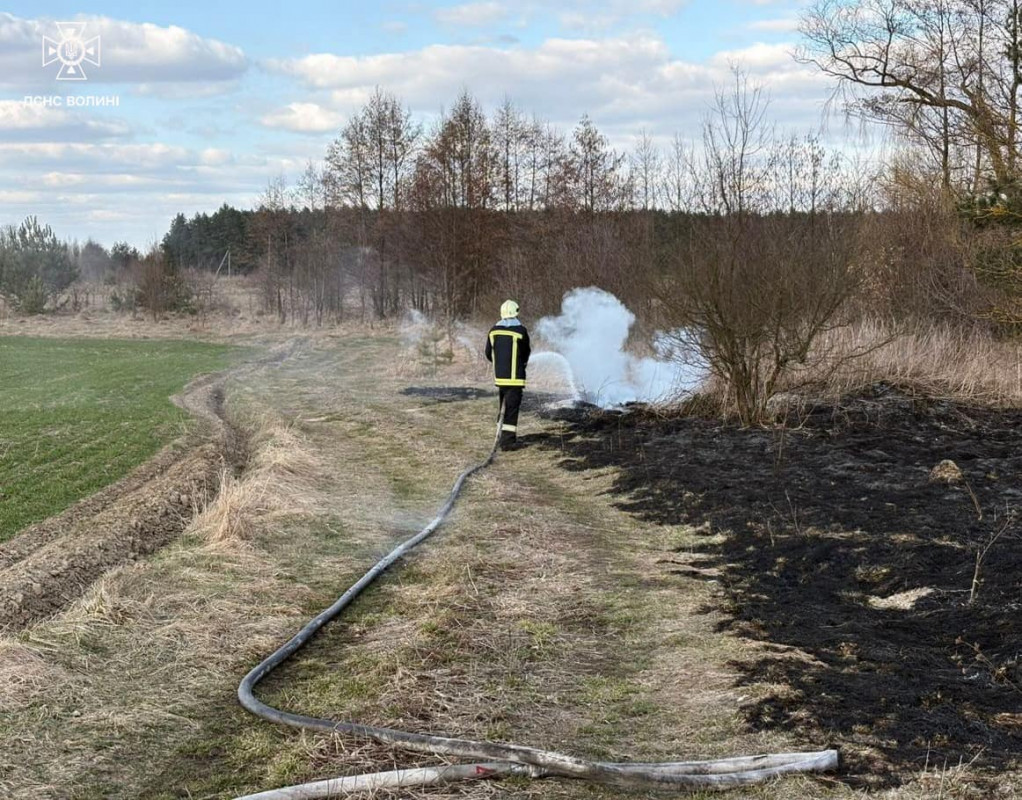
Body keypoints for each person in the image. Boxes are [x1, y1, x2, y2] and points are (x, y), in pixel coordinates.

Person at [484, 299, 531, 451]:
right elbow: (526, 353)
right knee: (511, 408)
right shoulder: (521, 331)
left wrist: (499, 364)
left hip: (500, 377)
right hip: (515, 378)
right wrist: (521, 364)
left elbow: (488, 353)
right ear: (516, 312)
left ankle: (499, 434)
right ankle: (508, 442)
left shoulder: (493, 331)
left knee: (503, 406)